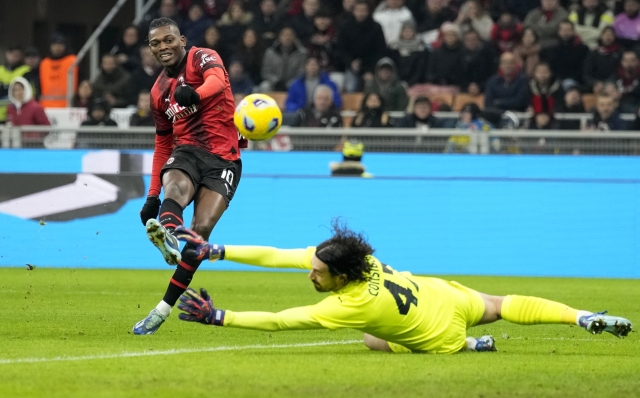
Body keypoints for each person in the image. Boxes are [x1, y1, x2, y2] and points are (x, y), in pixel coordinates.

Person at [170, 222, 633, 354]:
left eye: (317, 274)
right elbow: (276, 254)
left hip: (441, 337)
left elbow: (282, 321)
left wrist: (218, 316)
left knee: (373, 339)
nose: (310, 273)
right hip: (441, 294)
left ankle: (473, 346)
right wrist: (217, 250)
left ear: (342, 277)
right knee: (503, 302)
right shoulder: (356, 259)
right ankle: (582, 316)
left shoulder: (349, 306)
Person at [133, 17, 244, 335]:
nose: (163, 47)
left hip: (224, 159)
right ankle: (168, 233)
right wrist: (152, 194)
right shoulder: (158, 92)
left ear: (181, 40)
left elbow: (217, 82)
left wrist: (194, 95)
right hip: (187, 153)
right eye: (155, 43)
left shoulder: (202, 56)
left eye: (168, 40)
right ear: (151, 49)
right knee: (176, 188)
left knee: (200, 233)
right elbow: (162, 142)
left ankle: (161, 310)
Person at [335, 0, 387, 93]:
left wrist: (370, 70)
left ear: (368, 11)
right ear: (353, 11)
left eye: (364, 10)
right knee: (350, 87)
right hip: (352, 66)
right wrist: (350, 62)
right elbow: (341, 49)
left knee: (372, 87)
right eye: (358, 10)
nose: (361, 13)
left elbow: (381, 50)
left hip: (371, 66)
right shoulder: (345, 27)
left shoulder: (376, 27)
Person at [541, 20, 590, 89]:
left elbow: (584, 68)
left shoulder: (583, 49)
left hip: (576, 81)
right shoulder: (551, 49)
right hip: (556, 81)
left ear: (573, 31)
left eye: (568, 30)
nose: (565, 32)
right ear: (558, 31)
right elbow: (550, 67)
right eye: (563, 30)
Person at [6, 76, 51, 147]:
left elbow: (46, 127)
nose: (18, 92)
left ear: (26, 89)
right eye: (15, 90)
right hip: (16, 145)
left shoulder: (36, 107)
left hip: (34, 146)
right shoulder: (10, 108)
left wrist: (34, 137)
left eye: (21, 89)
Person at [260, 27, 308, 92]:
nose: (287, 38)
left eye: (290, 35)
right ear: (279, 37)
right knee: (264, 86)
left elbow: (301, 72)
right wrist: (276, 82)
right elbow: (266, 71)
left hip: (293, 83)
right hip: (274, 83)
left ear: (294, 37)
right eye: (284, 35)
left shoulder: (302, 53)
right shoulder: (270, 52)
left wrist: (288, 84)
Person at [40, 33, 77, 108]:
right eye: (55, 45)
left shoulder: (73, 61)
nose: (57, 47)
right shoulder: (44, 63)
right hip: (46, 106)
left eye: (60, 44)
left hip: (68, 105)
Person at [583, 26, 622, 93]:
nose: (608, 37)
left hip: (613, 82)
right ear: (601, 36)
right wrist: (594, 83)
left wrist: (608, 83)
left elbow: (620, 70)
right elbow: (587, 72)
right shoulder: (593, 53)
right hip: (596, 83)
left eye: (611, 35)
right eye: (606, 35)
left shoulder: (619, 52)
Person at [389, 20, 428, 87]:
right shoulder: (394, 47)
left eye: (410, 31)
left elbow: (420, 69)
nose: (407, 33)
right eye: (405, 31)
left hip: (415, 84)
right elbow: (392, 67)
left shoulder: (420, 48)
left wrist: (410, 83)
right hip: (395, 83)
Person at [426, 23, 465, 89]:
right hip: (437, 85)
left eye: (452, 35)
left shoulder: (462, 52)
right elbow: (430, 70)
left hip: (455, 85)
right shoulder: (436, 52)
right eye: (447, 35)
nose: (450, 38)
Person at [460, 29, 497, 95]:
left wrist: (480, 87)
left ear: (479, 40)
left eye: (474, 39)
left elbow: (493, 75)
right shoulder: (460, 55)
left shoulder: (488, 54)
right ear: (464, 42)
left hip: (486, 89)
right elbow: (458, 76)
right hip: (465, 89)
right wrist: (468, 86)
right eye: (468, 40)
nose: (471, 42)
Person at [0, 44, 30, 124]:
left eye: (17, 55)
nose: (13, 57)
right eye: (11, 54)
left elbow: (28, 93)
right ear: (7, 54)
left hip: (16, 114)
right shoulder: (1, 70)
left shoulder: (25, 71)